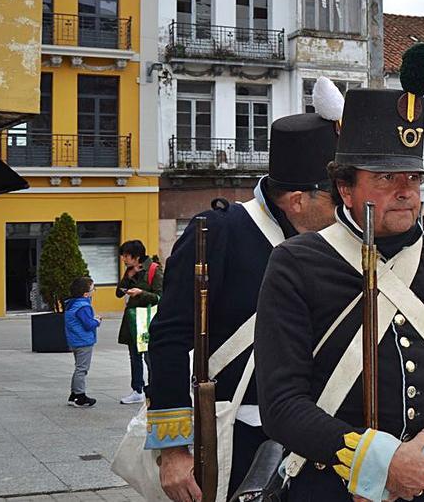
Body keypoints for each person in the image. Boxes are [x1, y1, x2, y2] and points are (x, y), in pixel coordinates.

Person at [255, 44, 424, 501]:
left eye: (412, 178)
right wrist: (380, 464)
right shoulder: (295, 263)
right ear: (345, 187)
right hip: (336, 484)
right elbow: (281, 403)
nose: (406, 192)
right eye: (386, 178)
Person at [145, 95, 343, 502]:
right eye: (335, 200)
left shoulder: (334, 244)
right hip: (241, 439)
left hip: (321, 441)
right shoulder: (218, 233)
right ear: (298, 201)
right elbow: (167, 338)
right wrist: (173, 449)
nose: (344, 211)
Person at [116, 239, 162, 405]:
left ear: (136, 256)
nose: (123, 259)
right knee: (134, 356)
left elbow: (160, 296)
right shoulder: (129, 270)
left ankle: (153, 389)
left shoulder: (154, 269)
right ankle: (137, 389)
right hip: (132, 320)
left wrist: (141, 292)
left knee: (149, 357)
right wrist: (127, 278)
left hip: (147, 320)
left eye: (126, 256)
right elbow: (119, 293)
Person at [64, 276, 101, 408]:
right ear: (86, 294)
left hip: (75, 341)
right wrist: (97, 321)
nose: (94, 291)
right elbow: (88, 324)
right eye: (93, 289)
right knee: (82, 369)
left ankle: (73, 395)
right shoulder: (83, 306)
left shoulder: (71, 303)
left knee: (78, 367)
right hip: (83, 341)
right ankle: (80, 396)